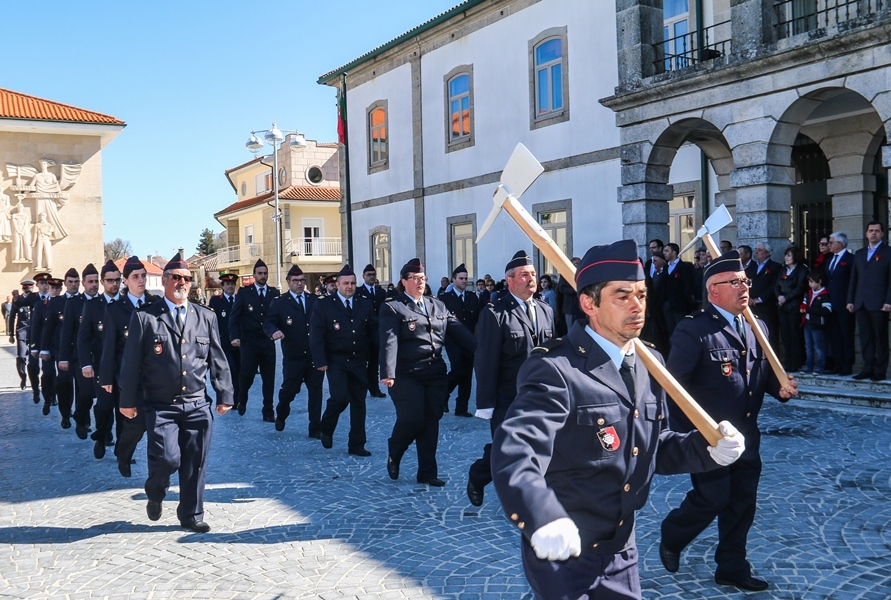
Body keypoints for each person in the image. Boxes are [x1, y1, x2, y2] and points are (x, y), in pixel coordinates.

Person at [491, 240, 747, 599]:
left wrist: (706, 450)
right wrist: (541, 514)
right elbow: (516, 450)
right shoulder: (556, 368)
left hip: (622, 549)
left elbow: (650, 445)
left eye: (642, 295)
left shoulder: (650, 363)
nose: (637, 306)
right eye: (622, 296)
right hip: (563, 550)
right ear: (588, 303)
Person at [660, 249, 798, 592]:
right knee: (714, 498)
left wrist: (778, 388)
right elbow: (675, 390)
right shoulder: (694, 331)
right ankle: (673, 535)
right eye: (734, 282)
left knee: (741, 504)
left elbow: (760, 372)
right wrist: (688, 440)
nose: (744, 287)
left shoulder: (757, 325)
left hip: (747, 435)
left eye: (745, 281)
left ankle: (732, 566)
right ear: (713, 290)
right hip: (710, 439)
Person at [118, 253, 233, 533]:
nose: (183, 283)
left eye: (187, 279)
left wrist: (224, 393)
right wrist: (127, 402)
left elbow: (217, 358)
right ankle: (155, 492)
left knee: (195, 461)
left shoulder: (205, 316)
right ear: (166, 281)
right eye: (177, 278)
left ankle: (191, 514)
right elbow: (131, 363)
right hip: (161, 405)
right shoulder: (145, 317)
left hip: (196, 403)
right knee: (168, 459)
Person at [379, 258, 476, 487]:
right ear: (404, 282)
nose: (420, 282)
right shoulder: (393, 306)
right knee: (412, 418)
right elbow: (389, 340)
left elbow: (459, 331)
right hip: (406, 372)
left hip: (434, 372)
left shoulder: (437, 305)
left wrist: (482, 350)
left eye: (423, 278)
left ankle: (427, 472)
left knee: (431, 420)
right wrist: (388, 371)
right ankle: (396, 448)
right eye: (414, 278)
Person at [467, 251, 554, 506]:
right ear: (509, 280)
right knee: (510, 449)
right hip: (508, 397)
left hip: (540, 395)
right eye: (525, 275)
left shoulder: (546, 310)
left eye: (534, 274)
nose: (531, 279)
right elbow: (486, 362)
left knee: (538, 446)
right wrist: (485, 404)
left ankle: (534, 496)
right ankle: (479, 475)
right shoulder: (495, 313)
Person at [99, 256, 159, 476]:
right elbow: (108, 347)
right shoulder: (115, 310)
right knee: (135, 425)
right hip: (129, 376)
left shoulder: (156, 305)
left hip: (155, 376)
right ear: (125, 281)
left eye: (144, 276)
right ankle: (123, 455)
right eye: (136, 277)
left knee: (159, 425)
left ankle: (159, 467)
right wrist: (106, 378)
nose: (141, 280)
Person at [312, 264, 375, 455]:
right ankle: (326, 427)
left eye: (353, 283)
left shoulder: (365, 303)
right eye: (346, 283)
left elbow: (373, 331)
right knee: (340, 397)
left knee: (359, 401)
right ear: (337, 284)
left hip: (358, 359)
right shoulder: (324, 304)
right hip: (336, 360)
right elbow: (316, 334)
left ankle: (357, 444)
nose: (350, 287)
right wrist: (320, 360)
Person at [263, 264, 322, 434]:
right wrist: (274, 331)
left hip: (314, 355)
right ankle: (281, 413)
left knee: (316, 392)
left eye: (302, 280)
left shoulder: (315, 301)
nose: (299, 283)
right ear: (288, 282)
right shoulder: (280, 303)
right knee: (289, 391)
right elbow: (268, 322)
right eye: (295, 281)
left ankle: (315, 427)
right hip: (293, 355)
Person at [79, 260, 121, 459]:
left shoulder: (127, 304)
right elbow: (84, 338)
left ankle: (124, 450)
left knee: (125, 410)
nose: (114, 284)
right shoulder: (93, 306)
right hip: (101, 366)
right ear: (103, 282)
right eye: (110, 281)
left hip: (124, 368)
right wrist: (86, 363)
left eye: (117, 280)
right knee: (104, 406)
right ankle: (101, 436)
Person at [229, 259, 279, 420]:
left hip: (266, 340)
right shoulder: (244, 293)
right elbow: (234, 317)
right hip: (249, 341)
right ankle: (242, 398)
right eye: (260, 273)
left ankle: (268, 409)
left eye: (265, 273)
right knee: (247, 375)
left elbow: (278, 316)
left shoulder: (273, 293)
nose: (263, 276)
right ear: (254, 275)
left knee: (269, 377)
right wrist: (235, 336)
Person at [59, 264, 101, 440]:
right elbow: (66, 331)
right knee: (86, 392)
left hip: (101, 356)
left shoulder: (105, 302)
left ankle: (104, 432)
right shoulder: (74, 303)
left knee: (105, 396)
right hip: (80, 356)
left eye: (96, 281)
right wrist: (64, 358)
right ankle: (81, 418)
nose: (94, 285)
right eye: (90, 281)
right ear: (83, 283)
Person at [846, 221, 891, 381]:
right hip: (861, 302)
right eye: (871, 230)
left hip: (880, 303)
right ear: (866, 234)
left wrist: (889, 301)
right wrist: (850, 300)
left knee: (880, 337)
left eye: (877, 231)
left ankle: (880, 370)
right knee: (865, 337)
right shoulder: (859, 253)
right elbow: (854, 279)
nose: (874, 233)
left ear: (882, 234)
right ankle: (867, 367)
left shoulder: (888, 252)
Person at [438, 264, 480, 417]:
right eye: (461, 278)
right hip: (453, 341)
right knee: (458, 371)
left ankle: (461, 408)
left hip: (469, 341)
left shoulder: (472, 297)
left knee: (467, 374)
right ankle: (443, 394)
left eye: (465, 278)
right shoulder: (445, 299)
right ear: (453, 280)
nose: (464, 281)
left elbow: (478, 318)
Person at [354, 264, 387, 398]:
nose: (372, 277)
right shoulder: (358, 291)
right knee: (362, 362)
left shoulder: (381, 292)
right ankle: (359, 388)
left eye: (373, 274)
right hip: (363, 332)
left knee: (374, 362)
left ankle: (374, 389)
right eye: (369, 275)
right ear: (363, 277)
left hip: (377, 332)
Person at [207, 273, 240, 404]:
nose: (230, 286)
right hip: (223, 342)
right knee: (229, 370)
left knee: (239, 371)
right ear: (223, 286)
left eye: (232, 284)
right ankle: (227, 398)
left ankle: (237, 399)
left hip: (239, 343)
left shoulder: (239, 300)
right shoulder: (216, 301)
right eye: (227, 284)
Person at [825, 232, 854, 375]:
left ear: (840, 244)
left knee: (846, 334)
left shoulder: (850, 259)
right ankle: (838, 363)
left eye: (831, 242)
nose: (829, 245)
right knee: (834, 335)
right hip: (830, 304)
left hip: (844, 303)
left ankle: (848, 364)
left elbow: (853, 282)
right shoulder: (829, 260)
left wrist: (851, 300)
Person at [775, 246, 808, 372]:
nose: (786, 258)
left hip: (794, 305)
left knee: (795, 334)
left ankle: (796, 361)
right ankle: (787, 360)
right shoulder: (783, 269)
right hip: (782, 305)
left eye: (789, 255)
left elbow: (800, 287)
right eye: (786, 255)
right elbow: (776, 285)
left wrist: (787, 297)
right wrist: (779, 296)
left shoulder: (802, 270)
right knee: (785, 335)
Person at [34, 276, 63, 415]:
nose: (55, 290)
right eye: (52, 288)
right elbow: (36, 327)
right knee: (48, 373)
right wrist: (35, 346)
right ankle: (47, 398)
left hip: (59, 344)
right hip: (46, 345)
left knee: (63, 376)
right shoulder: (41, 305)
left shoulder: (64, 303)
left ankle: (61, 401)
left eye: (57, 288)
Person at [746, 242, 781, 346]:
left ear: (768, 253)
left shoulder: (775, 267)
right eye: (756, 249)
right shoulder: (750, 267)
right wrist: (747, 298)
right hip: (751, 305)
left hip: (767, 307)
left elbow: (773, 286)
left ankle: (771, 361)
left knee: (769, 334)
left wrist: (760, 299)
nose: (756, 252)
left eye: (760, 250)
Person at [9, 280, 39, 395]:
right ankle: (23, 377)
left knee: (33, 360)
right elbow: (12, 316)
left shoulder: (36, 298)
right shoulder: (18, 300)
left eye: (30, 288)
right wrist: (11, 334)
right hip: (21, 332)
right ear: (23, 289)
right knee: (21, 356)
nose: (28, 290)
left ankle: (34, 382)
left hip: (33, 333)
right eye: (26, 288)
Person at [661, 242, 695, 339]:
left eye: (667, 251)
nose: (664, 253)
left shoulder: (684, 267)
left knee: (680, 328)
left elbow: (688, 285)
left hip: (679, 305)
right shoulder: (665, 267)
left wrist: (685, 300)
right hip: (667, 305)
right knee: (670, 329)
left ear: (674, 252)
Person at [801, 271, 831, 375]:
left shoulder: (824, 295)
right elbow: (804, 304)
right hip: (807, 323)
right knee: (808, 347)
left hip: (818, 324)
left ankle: (819, 367)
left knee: (819, 347)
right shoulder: (808, 293)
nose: (810, 284)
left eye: (812, 282)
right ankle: (808, 366)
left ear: (820, 282)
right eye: (809, 282)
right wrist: (803, 308)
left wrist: (809, 309)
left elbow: (827, 310)